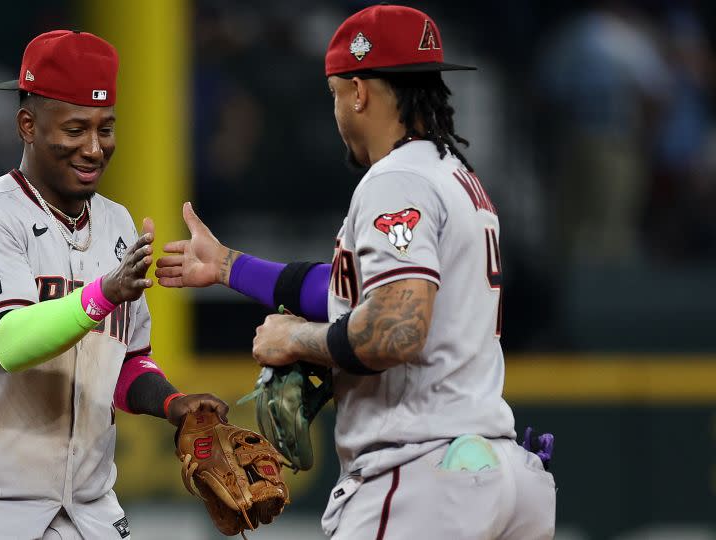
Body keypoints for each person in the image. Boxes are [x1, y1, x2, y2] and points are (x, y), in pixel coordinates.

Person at [156, 6, 555, 539]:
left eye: (336, 93)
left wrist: (296, 338)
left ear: (359, 91)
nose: (338, 107)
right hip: (493, 472)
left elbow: (396, 330)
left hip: (422, 476)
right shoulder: (456, 178)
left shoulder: (397, 180)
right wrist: (230, 266)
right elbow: (350, 293)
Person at [0, 30, 228, 540]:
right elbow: (10, 342)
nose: (95, 148)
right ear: (27, 125)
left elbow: (124, 361)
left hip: (87, 510)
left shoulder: (119, 226)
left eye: (106, 128)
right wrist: (102, 294)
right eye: (75, 129)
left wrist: (172, 404)